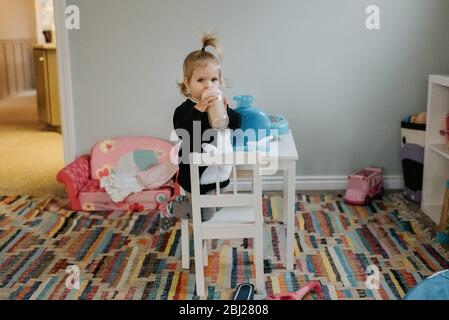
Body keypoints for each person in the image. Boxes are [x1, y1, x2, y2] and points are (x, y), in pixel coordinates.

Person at [161, 33, 241, 230]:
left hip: (220, 173)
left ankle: (204, 210)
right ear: (187, 83)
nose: (209, 85)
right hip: (197, 175)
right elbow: (183, 131)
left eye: (214, 79)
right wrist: (200, 109)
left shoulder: (220, 106)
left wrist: (227, 109)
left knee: (218, 208)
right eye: (201, 80)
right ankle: (174, 207)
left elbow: (237, 124)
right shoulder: (185, 110)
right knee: (204, 215)